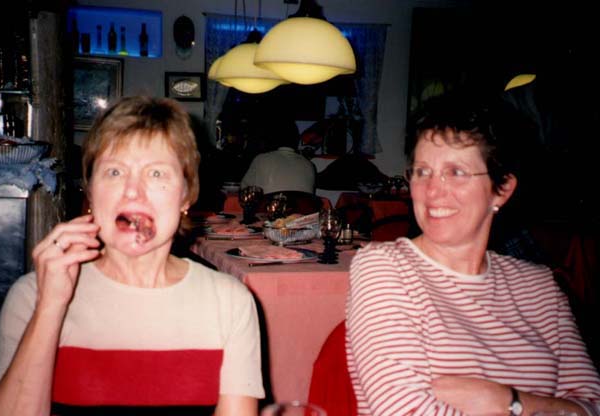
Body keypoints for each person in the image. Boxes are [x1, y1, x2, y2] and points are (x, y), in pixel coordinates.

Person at [0, 96, 264, 416]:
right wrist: (51, 307)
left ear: (186, 196)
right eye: (114, 172)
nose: (133, 191)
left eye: (156, 174)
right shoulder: (33, 295)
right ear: (90, 194)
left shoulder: (229, 303)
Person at [345, 94, 600, 416]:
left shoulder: (540, 286)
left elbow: (590, 405)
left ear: (502, 188)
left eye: (456, 172)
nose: (433, 191)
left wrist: (505, 401)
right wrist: (552, 407)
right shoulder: (385, 267)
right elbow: (403, 410)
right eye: (423, 171)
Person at [240, 119, 316, 194]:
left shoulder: (261, 160)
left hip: (271, 205)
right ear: (296, 139)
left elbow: (244, 190)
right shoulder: (309, 165)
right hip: (301, 206)